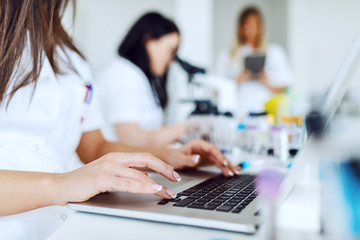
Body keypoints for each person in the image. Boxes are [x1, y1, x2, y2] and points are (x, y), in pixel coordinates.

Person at [0, 1, 239, 239]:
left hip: (67, 218)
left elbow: (94, 147)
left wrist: (171, 158)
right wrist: (62, 184)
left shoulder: (71, 57)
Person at [98, 12, 188, 147]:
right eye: (171, 50)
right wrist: (186, 128)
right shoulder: (123, 74)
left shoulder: (142, 78)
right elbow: (129, 139)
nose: (172, 59)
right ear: (149, 41)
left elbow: (154, 131)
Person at [216, 6, 292, 117]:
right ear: (240, 28)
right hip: (238, 113)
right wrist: (236, 81)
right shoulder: (228, 55)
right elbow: (217, 90)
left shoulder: (275, 52)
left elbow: (285, 86)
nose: (251, 30)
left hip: (266, 114)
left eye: (255, 25)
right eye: (247, 25)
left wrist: (267, 82)